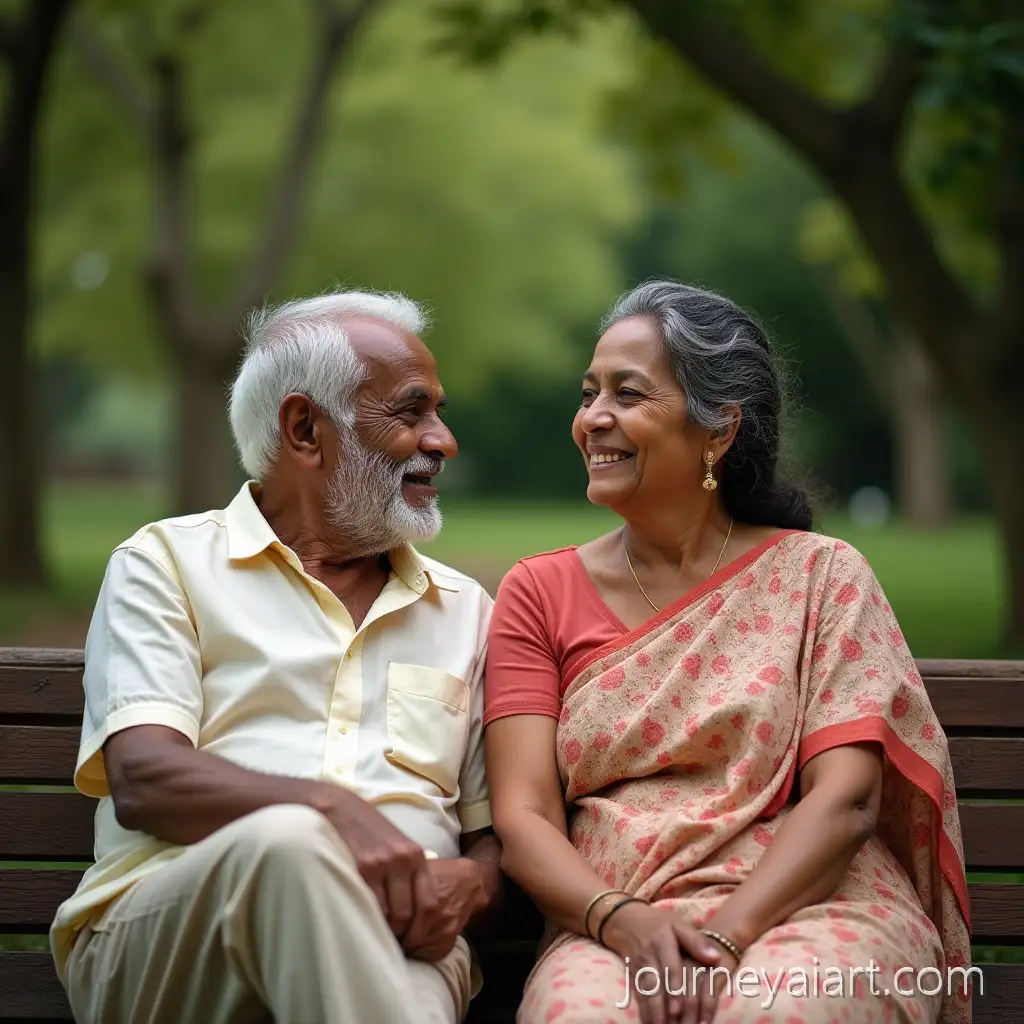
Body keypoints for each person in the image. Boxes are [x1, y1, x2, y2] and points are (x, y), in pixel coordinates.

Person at [483, 281, 972, 1024]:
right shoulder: (538, 592)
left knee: (773, 1013)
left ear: (718, 429)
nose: (593, 419)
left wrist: (723, 936)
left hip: (812, 908)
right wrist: (623, 921)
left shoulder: (820, 576)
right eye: (588, 394)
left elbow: (847, 800)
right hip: (617, 921)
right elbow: (523, 817)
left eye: (628, 393)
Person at [50, 289, 503, 1024]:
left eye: (438, 414)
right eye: (411, 412)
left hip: (404, 942)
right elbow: (142, 776)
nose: (443, 441)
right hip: (173, 938)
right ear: (304, 429)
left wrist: (468, 889)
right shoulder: (165, 563)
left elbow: (492, 842)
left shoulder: (466, 613)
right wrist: (329, 812)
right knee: (293, 847)